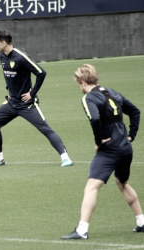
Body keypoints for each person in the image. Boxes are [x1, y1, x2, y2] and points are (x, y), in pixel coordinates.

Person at [61, 64, 143, 239]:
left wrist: (99, 141)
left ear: (83, 82)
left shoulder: (89, 98)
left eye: (78, 84)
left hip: (110, 149)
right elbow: (135, 111)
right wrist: (131, 136)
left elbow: (95, 119)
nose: (79, 87)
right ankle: (141, 222)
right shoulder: (113, 92)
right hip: (125, 148)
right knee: (122, 183)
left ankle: (81, 231)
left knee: (91, 187)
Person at [0, 30, 73, 167]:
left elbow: (41, 73)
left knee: (45, 129)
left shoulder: (21, 57)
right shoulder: (2, 57)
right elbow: (9, 75)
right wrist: (9, 89)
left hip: (27, 104)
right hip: (11, 103)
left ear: (4, 43)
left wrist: (32, 93)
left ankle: (65, 158)